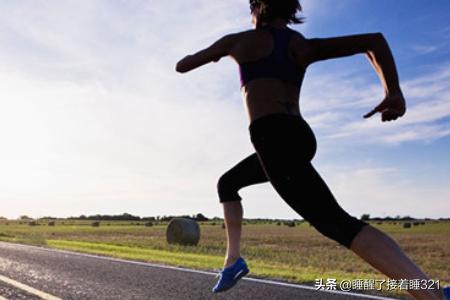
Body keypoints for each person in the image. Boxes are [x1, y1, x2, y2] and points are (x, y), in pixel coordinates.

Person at [175, 1, 449, 299]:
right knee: (228, 183)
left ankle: (430, 294)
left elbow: (183, 65)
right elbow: (374, 41)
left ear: (257, 9)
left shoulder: (239, 41)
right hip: (300, 137)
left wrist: (215, 52)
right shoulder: (301, 45)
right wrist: (392, 91)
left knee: (337, 224)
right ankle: (233, 261)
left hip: (273, 138)